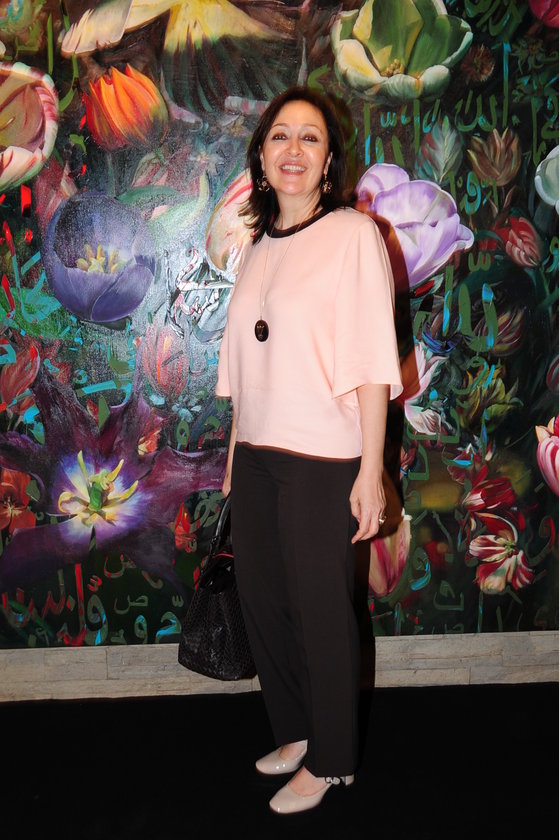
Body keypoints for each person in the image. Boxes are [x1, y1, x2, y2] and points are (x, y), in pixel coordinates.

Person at [215, 85, 402, 815]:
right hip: (258, 455)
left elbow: (372, 361)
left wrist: (370, 471)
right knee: (264, 602)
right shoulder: (257, 246)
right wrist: (236, 456)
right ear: (261, 157)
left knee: (323, 610)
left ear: (327, 162)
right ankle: (296, 731)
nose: (293, 148)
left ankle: (332, 761)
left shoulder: (353, 234)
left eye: (310, 137)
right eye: (279, 136)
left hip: (324, 460)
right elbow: (245, 366)